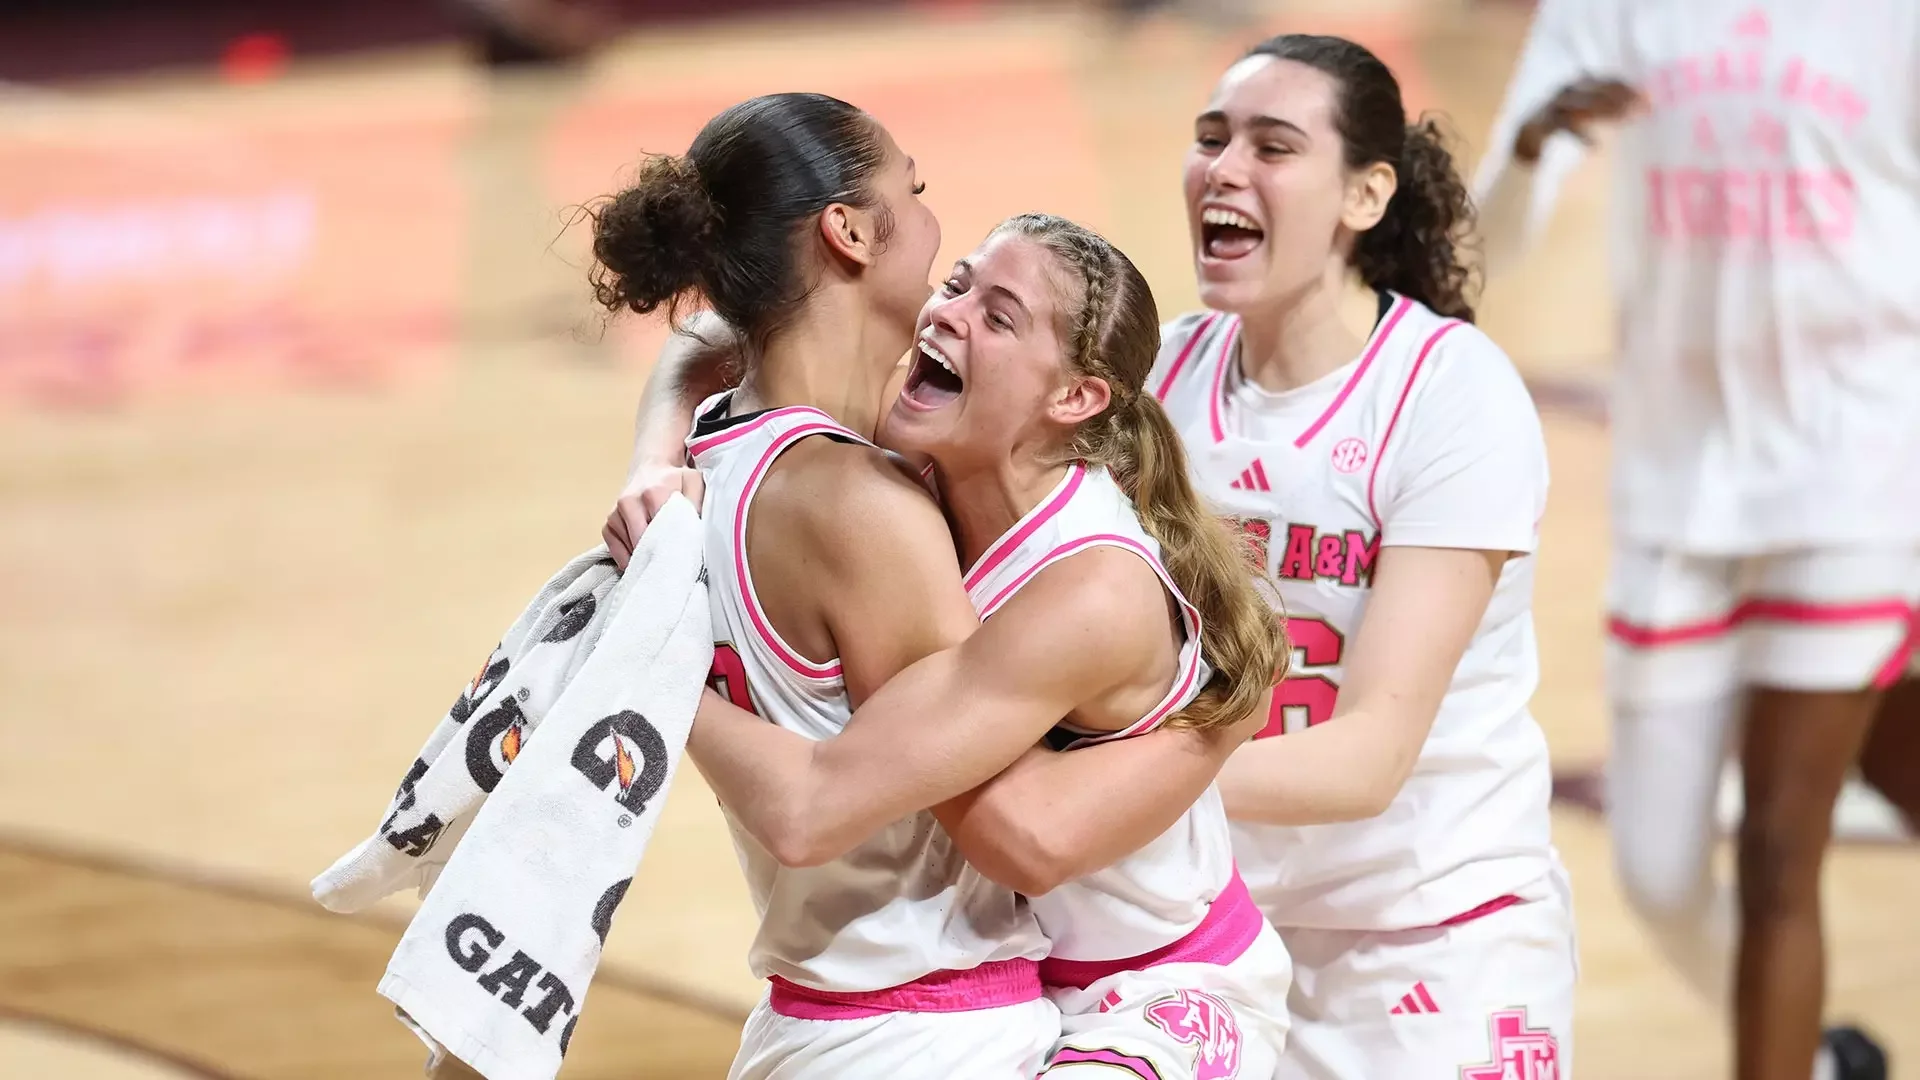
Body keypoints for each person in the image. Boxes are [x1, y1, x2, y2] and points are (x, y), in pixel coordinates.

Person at [589, 93, 1267, 1080]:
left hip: (1155, 990)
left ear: (1073, 398)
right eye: (954, 276)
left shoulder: (1069, 574)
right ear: (851, 234)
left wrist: (1227, 707)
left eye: (996, 314)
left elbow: (1016, 837)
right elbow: (698, 343)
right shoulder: (878, 475)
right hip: (948, 1006)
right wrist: (648, 476)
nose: (949, 311)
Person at [1474, 2, 1920, 1075]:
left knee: (1778, 848)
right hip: (1676, 483)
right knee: (1658, 872)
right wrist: (1535, 145)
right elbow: (1482, 247)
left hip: (1857, 460)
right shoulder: (1610, 12)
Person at [1152, 33, 1572, 1078]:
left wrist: (1098, 783)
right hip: (1217, 932)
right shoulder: (1161, 375)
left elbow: (1371, 752)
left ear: (1364, 194)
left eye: (1273, 146)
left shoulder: (1451, 396)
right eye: (1212, 138)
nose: (1226, 168)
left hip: (1435, 933)